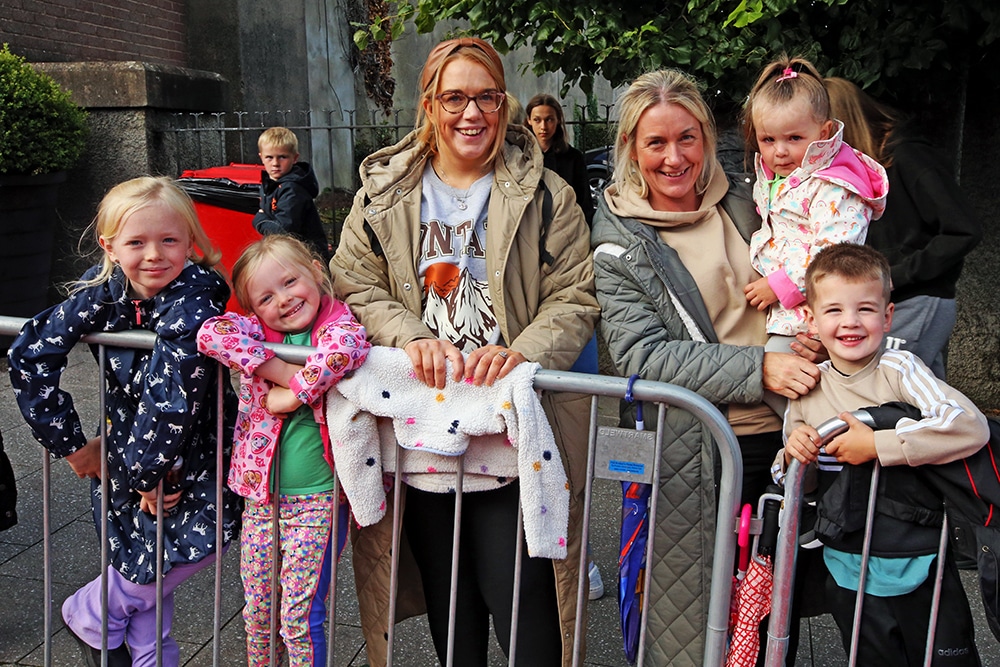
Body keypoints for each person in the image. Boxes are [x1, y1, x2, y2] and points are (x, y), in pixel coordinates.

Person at [330, 37, 600, 667]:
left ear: (504, 104)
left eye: (486, 97)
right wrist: (408, 336)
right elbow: (353, 282)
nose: (471, 113)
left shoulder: (546, 194)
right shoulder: (385, 194)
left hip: (512, 438)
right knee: (453, 620)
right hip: (423, 439)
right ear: (429, 104)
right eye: (454, 97)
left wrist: (520, 351)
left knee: (526, 612)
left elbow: (575, 296)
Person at [590, 68, 824, 664]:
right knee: (692, 622)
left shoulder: (754, 204)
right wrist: (760, 368)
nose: (675, 157)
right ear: (631, 149)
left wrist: (820, 331)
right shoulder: (619, 237)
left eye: (687, 138)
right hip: (691, 448)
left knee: (770, 613)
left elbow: (813, 277)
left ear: (707, 138)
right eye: (656, 142)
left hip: (783, 436)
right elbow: (643, 354)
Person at [8, 176, 240, 667]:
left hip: (189, 464)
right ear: (109, 245)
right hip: (125, 464)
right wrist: (71, 444)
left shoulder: (195, 299)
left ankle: (91, 612)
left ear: (191, 242)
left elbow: (170, 400)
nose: (154, 255)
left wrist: (148, 476)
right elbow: (30, 351)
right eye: (136, 242)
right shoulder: (104, 291)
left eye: (169, 240)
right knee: (144, 573)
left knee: (189, 550)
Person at [778, 243, 987, 666]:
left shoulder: (901, 368)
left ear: (888, 316)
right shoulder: (807, 385)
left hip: (921, 558)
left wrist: (877, 444)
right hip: (847, 563)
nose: (850, 322)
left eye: (866, 310)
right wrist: (795, 456)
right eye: (834, 310)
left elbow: (970, 425)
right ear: (812, 320)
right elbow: (792, 482)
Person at [197, 235, 370, 666]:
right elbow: (211, 332)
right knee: (257, 612)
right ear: (254, 310)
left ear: (316, 270)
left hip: (321, 501)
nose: (284, 299)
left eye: (290, 281)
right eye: (266, 297)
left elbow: (343, 351)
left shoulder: (336, 325)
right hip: (261, 499)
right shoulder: (260, 333)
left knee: (297, 614)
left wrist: (291, 395)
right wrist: (279, 369)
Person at [741, 56, 888, 394]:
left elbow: (834, 255)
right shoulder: (781, 178)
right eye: (767, 140)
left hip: (821, 316)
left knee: (786, 388)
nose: (779, 151)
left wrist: (778, 285)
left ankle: (820, 444)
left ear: (823, 133)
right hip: (794, 315)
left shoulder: (833, 186)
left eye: (793, 138)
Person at [825, 76, 983, 379]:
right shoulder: (857, 171)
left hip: (917, 297)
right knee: (925, 399)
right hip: (886, 300)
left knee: (893, 393)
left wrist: (896, 275)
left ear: (835, 123)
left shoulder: (907, 155)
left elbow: (964, 229)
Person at [253, 126, 332, 262]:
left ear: (295, 158)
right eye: (269, 157)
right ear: (261, 157)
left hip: (305, 257)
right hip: (289, 253)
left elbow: (283, 230)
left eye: (282, 157)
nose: (275, 163)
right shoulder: (272, 184)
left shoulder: (293, 189)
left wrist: (260, 219)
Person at [525, 93, 595, 225]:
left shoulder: (574, 158)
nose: (543, 127)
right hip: (529, 227)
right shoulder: (520, 157)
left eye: (549, 119)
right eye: (537, 120)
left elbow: (584, 202)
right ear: (529, 120)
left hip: (565, 227)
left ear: (558, 120)